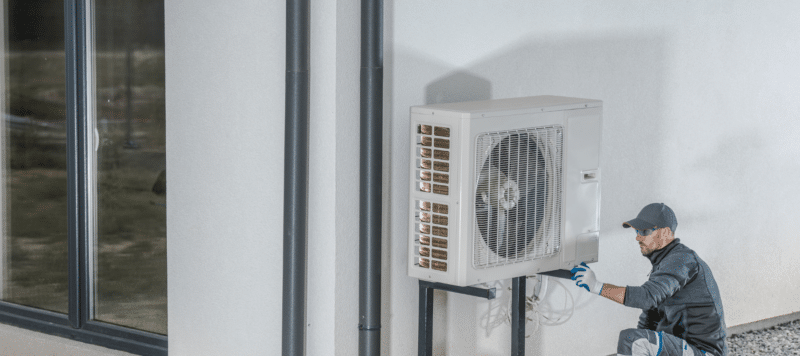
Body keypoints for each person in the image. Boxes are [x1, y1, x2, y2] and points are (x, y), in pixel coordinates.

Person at [570, 203, 728, 356]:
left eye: (644, 231)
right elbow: (650, 318)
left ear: (665, 233)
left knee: (633, 340)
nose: (638, 237)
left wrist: (596, 286)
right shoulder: (664, 264)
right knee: (638, 339)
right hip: (682, 347)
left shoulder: (682, 260)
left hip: (702, 351)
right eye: (636, 232)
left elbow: (647, 298)